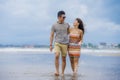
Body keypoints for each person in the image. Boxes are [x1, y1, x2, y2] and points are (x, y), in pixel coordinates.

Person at [49, 10, 70, 76]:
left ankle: (62, 72)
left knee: (64, 58)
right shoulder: (54, 25)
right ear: (58, 17)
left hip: (65, 43)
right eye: (63, 17)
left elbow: (69, 33)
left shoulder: (67, 25)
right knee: (57, 55)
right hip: (57, 43)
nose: (64, 18)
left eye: (65, 17)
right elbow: (52, 35)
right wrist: (50, 45)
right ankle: (57, 71)